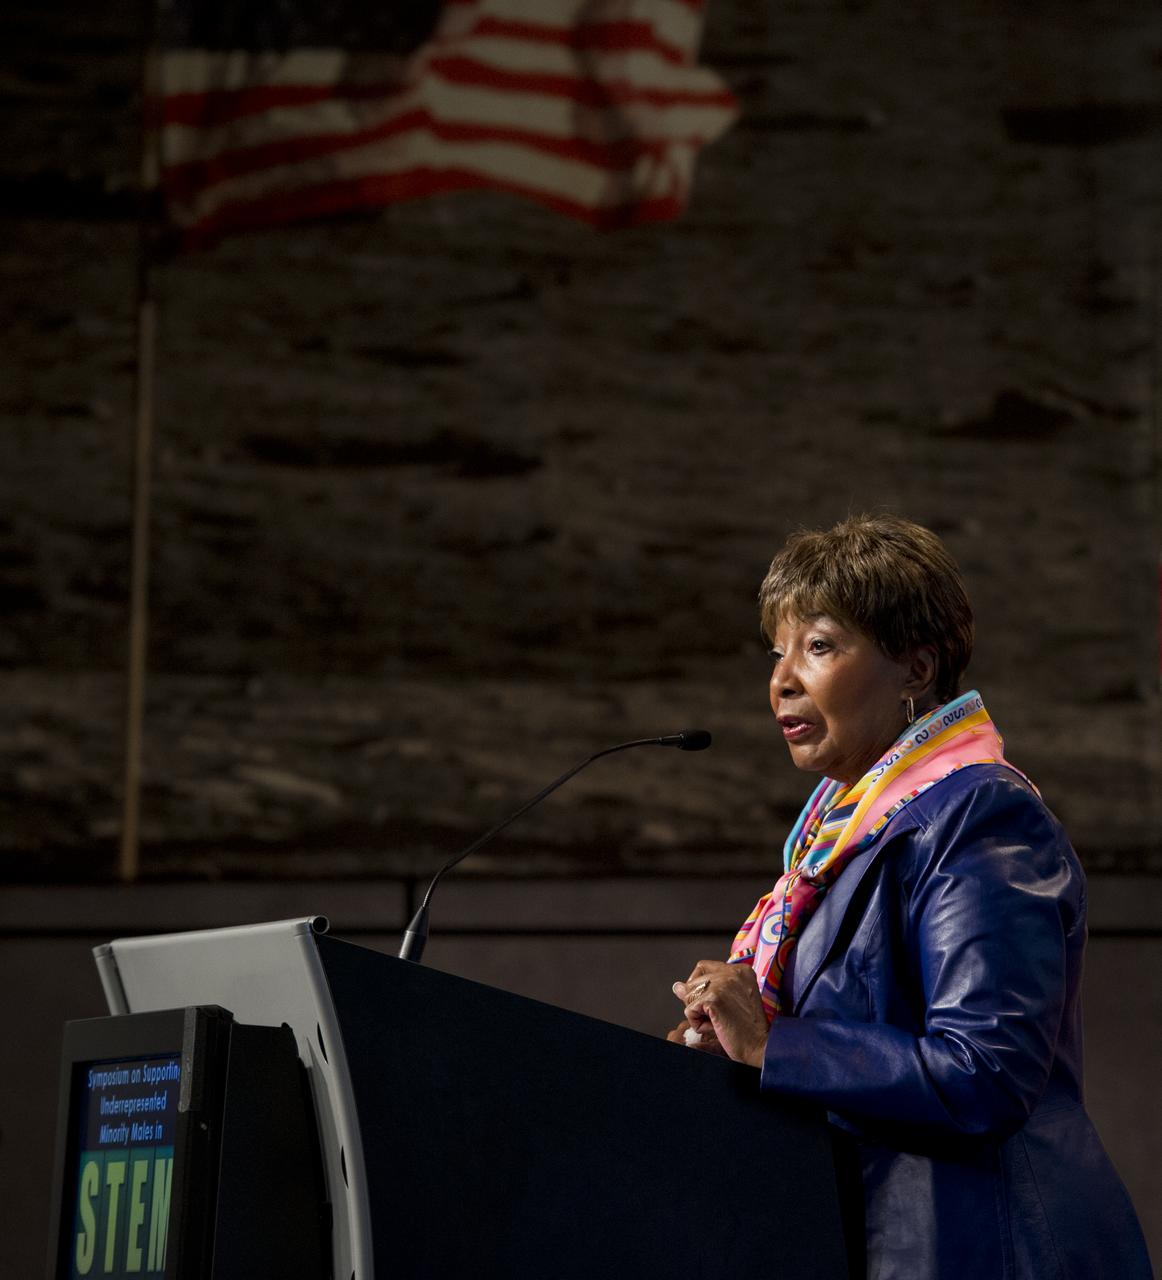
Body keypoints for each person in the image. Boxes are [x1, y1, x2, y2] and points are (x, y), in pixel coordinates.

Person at [668, 513, 1153, 1280]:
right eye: (778, 652)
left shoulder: (981, 815)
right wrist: (729, 1049)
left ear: (916, 669)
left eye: (819, 646)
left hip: (986, 1252)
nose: (782, 679)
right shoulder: (834, 845)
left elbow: (985, 1072)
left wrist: (773, 1044)